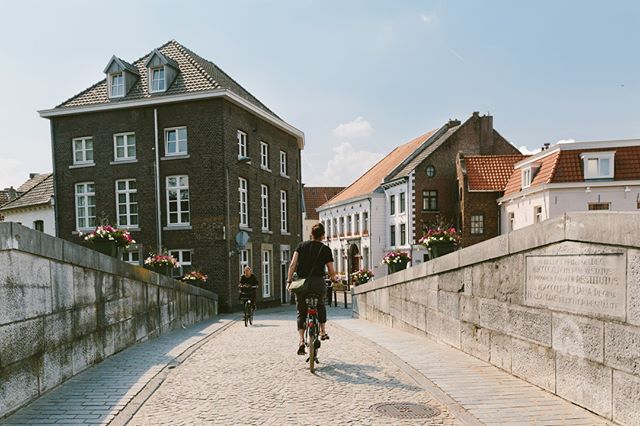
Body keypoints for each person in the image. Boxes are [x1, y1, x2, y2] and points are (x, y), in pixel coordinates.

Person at [287, 223, 338, 356]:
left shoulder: (301, 246)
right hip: (317, 283)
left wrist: (289, 281)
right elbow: (331, 270)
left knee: (301, 312)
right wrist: (334, 279)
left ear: (311, 234)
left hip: (302, 283)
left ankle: (301, 341)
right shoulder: (325, 249)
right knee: (320, 304)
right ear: (322, 235)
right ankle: (322, 331)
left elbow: (293, 264)